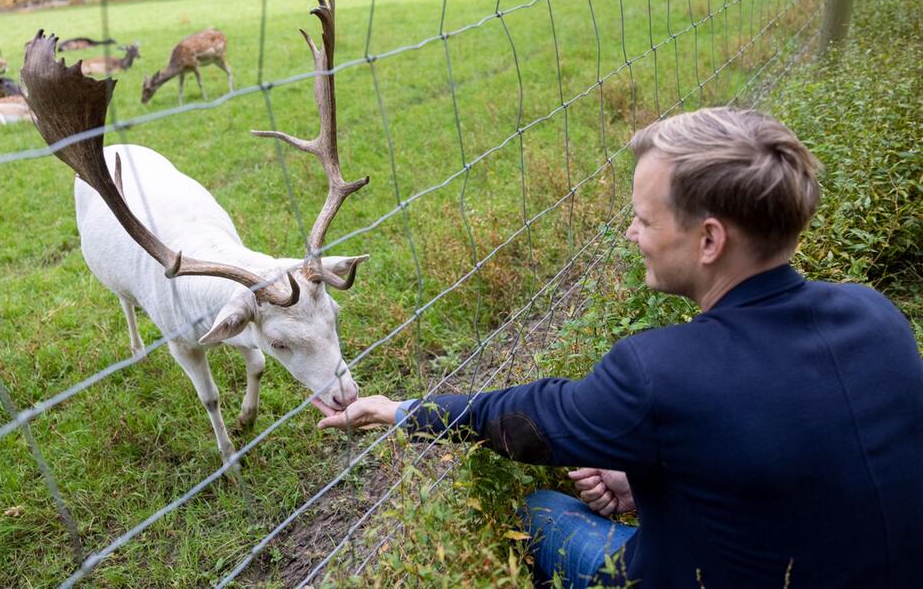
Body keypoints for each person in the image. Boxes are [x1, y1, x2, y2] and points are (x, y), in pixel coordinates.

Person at [318, 107, 923, 588]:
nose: (631, 233)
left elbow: (522, 421)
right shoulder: (877, 315)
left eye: (643, 219)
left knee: (541, 512)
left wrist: (397, 410)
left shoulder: (658, 372)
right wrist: (652, 473)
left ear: (709, 239)